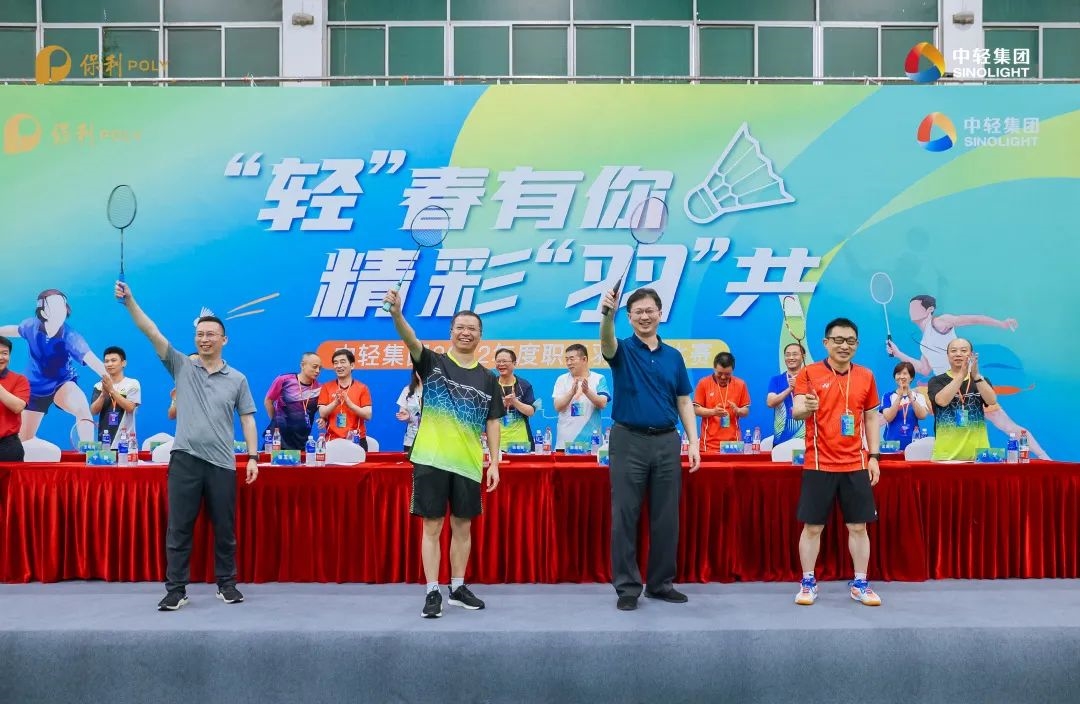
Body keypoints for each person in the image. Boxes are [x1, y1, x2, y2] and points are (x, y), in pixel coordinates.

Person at [115, 281, 259, 612]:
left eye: (211, 334)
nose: (204, 339)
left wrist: (252, 457)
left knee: (225, 529)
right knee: (178, 528)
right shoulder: (181, 365)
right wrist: (130, 302)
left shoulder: (237, 379)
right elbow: (151, 331)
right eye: (200, 334)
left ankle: (227, 584)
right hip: (185, 461)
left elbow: (248, 419)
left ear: (224, 340)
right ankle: (176, 589)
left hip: (222, 464)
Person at [384, 289, 504, 619]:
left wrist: (495, 463)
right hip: (431, 459)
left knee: (463, 526)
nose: (466, 332)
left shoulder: (488, 379)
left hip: (468, 462)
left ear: (480, 335)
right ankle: (432, 590)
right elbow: (410, 339)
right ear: (451, 331)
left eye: (472, 328)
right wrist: (397, 314)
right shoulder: (433, 363)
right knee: (433, 526)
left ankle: (458, 587)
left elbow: (493, 422)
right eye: (460, 327)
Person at [600, 286, 700, 612]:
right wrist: (607, 315)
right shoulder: (622, 350)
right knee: (625, 516)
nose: (644, 316)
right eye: (638, 312)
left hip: (667, 441)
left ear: (660, 314)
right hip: (628, 440)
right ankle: (628, 587)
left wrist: (693, 441)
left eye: (649, 311)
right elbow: (606, 342)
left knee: (666, 517)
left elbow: (683, 400)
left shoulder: (673, 356)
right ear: (629, 318)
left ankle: (660, 584)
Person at [887, 294, 1047, 458]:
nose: (911, 310)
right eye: (910, 307)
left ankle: (1045, 458)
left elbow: (973, 319)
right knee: (898, 400)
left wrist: (1001, 323)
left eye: (915, 307)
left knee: (1007, 426)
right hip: (944, 388)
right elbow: (924, 369)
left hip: (968, 385)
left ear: (930, 309)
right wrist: (898, 353)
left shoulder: (939, 322)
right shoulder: (924, 342)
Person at [792, 318, 882, 607]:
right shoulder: (808, 373)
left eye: (851, 341)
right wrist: (806, 407)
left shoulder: (866, 376)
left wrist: (874, 456)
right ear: (826, 343)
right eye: (839, 340)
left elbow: (871, 417)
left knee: (858, 527)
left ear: (857, 344)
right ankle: (808, 582)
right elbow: (796, 411)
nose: (845, 346)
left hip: (855, 463)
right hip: (819, 463)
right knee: (812, 528)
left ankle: (860, 583)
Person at [0, 289, 107, 443]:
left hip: (61, 384)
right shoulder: (31, 325)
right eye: (55, 306)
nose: (61, 309)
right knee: (23, 442)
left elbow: (92, 360)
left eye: (62, 305)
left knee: (82, 409)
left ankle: (88, 451)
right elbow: (15, 330)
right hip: (34, 389)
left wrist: (112, 380)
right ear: (43, 312)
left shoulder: (70, 336)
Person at [927, 338, 996, 462]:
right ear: (948, 355)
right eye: (953, 351)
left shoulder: (980, 380)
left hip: (979, 455)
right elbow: (942, 401)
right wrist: (961, 375)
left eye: (963, 350)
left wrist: (976, 376)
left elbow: (991, 401)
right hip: (946, 456)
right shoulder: (936, 381)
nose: (958, 354)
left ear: (971, 355)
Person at [552, 343, 610, 450]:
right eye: (567, 359)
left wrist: (587, 391)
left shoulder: (599, 378)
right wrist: (571, 393)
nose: (569, 363)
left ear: (584, 359)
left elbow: (602, 403)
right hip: (565, 443)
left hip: (592, 443)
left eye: (572, 359)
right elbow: (557, 406)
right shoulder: (561, 379)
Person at [693, 351, 750, 453]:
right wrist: (713, 412)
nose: (723, 377)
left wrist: (738, 410)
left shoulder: (740, 384)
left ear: (732, 370)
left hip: (733, 445)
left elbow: (746, 411)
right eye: (719, 373)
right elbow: (696, 410)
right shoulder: (703, 383)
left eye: (727, 374)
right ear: (714, 368)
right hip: (709, 445)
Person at [264, 352, 322, 450]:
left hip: (301, 439)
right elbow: (268, 401)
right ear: (302, 365)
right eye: (314, 367)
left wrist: (323, 419)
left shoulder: (319, 388)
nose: (318, 371)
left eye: (320, 368)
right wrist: (276, 421)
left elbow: (322, 410)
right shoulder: (284, 380)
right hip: (278, 439)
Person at [317, 349, 372, 450]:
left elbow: (368, 415)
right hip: (332, 440)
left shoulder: (362, 388)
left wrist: (349, 403)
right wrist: (336, 402)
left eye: (342, 362)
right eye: (335, 363)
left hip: (357, 440)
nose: (339, 366)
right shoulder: (326, 387)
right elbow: (322, 413)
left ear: (352, 365)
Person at [89, 346, 141, 449]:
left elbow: (130, 408)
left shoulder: (132, 384)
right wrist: (103, 394)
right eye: (106, 361)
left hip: (125, 443)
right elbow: (93, 411)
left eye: (113, 360)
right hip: (104, 443)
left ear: (123, 363)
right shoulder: (98, 386)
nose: (109, 364)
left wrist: (111, 390)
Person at [493, 348, 537, 451]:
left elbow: (531, 411)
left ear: (514, 363)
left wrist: (515, 402)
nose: (501, 364)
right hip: (496, 442)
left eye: (504, 361)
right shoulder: (490, 384)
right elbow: (485, 411)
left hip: (521, 443)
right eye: (498, 361)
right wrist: (502, 404)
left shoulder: (524, 385)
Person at [879, 361, 929, 450]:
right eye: (898, 373)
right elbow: (888, 417)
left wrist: (911, 396)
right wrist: (899, 397)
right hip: (892, 445)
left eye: (905, 373)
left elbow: (922, 416)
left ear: (911, 377)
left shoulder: (919, 396)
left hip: (913, 444)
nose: (901, 376)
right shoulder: (887, 396)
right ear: (895, 377)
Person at [766, 343, 806, 446]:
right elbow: (770, 402)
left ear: (803, 356)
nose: (791, 358)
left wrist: (800, 386)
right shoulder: (776, 380)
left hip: (806, 439)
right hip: (781, 439)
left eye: (795, 354)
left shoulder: (810, 378)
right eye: (787, 355)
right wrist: (789, 389)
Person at [0, 336, 30, 462]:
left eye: (5, 353)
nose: (1, 357)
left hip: (7, 447)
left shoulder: (19, 380)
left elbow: (18, 407)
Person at [395, 369, 423, 457]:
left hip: (432, 440)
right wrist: (407, 417)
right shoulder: (407, 390)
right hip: (411, 440)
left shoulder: (437, 390)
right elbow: (403, 412)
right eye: (420, 368)